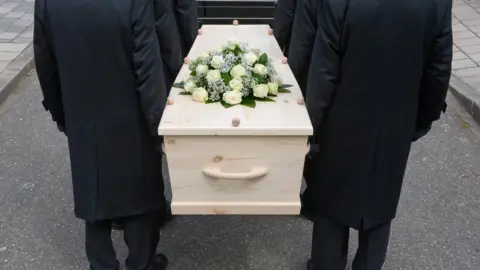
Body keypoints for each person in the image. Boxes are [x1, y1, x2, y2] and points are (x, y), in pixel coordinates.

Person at [304, 0, 452, 269]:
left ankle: (326, 264)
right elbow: (438, 69)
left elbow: (324, 70)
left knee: (332, 200)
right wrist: (423, 118)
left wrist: (312, 125)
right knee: (380, 201)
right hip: (397, 119)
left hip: (341, 118)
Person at [34, 0, 170, 269]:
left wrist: (61, 113)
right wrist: (157, 124)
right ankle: (142, 262)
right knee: (139, 190)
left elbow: (45, 62)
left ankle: (101, 264)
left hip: (82, 113)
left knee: (92, 188)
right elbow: (147, 65)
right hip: (131, 114)